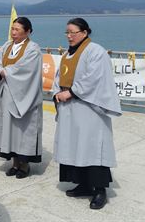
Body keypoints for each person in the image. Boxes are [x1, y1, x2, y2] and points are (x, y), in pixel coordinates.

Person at [52, 17, 121, 210]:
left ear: (85, 33)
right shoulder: (67, 54)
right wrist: (57, 91)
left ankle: (99, 190)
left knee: (91, 147)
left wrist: (72, 92)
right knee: (75, 146)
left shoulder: (95, 52)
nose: (69, 36)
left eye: (73, 32)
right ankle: (82, 184)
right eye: (67, 32)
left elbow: (94, 78)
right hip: (70, 108)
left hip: (89, 109)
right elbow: (59, 76)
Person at [0, 16, 43, 179]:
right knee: (9, 129)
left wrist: (6, 71)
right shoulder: (6, 46)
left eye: (17, 29)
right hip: (7, 94)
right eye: (12, 29)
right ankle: (14, 163)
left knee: (23, 129)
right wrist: (2, 70)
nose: (13, 32)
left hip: (23, 95)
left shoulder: (33, 49)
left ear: (28, 31)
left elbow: (26, 70)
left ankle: (24, 164)